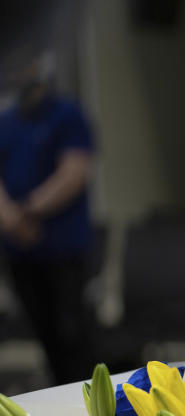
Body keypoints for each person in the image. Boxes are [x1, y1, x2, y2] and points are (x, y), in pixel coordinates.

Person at [0, 51, 96, 385]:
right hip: (19, 250)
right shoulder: (7, 121)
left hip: (62, 248)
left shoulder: (67, 115)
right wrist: (10, 219)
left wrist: (27, 209)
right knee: (43, 336)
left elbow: (74, 173)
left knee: (71, 335)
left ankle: (87, 405)